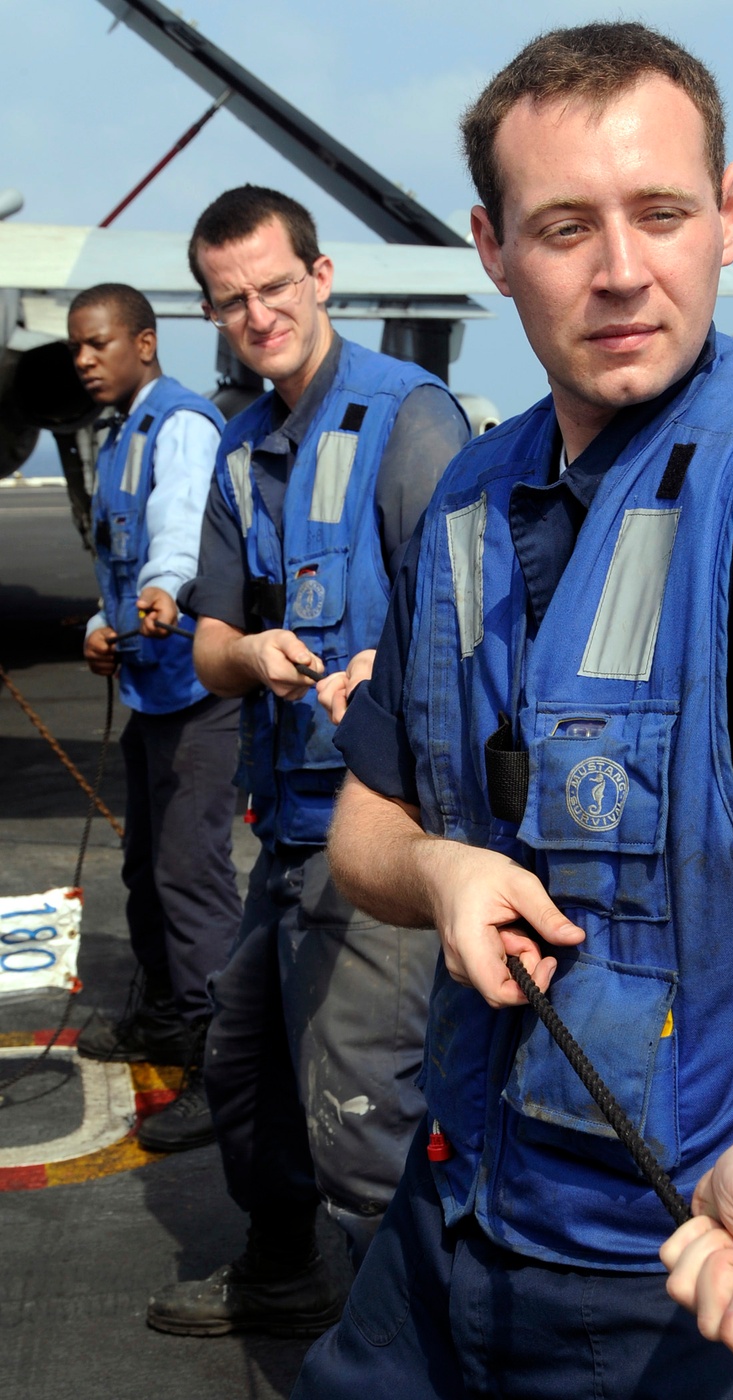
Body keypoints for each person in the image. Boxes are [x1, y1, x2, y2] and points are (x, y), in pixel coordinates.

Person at [296, 22, 733, 1400]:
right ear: (492, 249)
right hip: (453, 1232)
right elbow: (363, 831)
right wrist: (441, 870)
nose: (621, 271)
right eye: (564, 226)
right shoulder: (470, 500)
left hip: (680, 1284)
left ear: (726, 214)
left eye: (660, 213)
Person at [145, 186, 470, 1339]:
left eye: (275, 288)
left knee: (363, 1112)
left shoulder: (408, 419)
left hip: (378, 828)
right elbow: (209, 639)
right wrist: (253, 651)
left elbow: (477, 617)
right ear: (209, 314)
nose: (258, 313)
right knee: (243, 1065)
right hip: (282, 830)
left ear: (320, 279)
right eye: (231, 300)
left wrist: (384, 664)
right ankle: (286, 1269)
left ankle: (422, 1349)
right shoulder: (239, 452)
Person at [68, 283, 242, 1155]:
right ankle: (168, 1021)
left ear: (144, 342)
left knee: (191, 878)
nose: (83, 360)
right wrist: (105, 628)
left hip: (194, 694)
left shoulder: (179, 425)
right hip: (148, 685)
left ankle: (222, 1063)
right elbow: (121, 559)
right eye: (75, 349)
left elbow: (174, 536)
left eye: (97, 344)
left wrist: (166, 592)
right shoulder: (120, 432)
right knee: (144, 869)